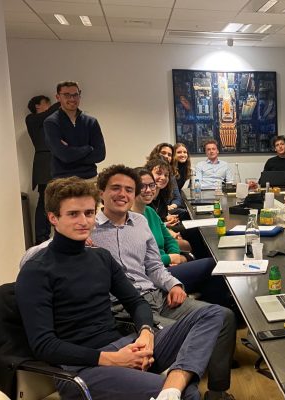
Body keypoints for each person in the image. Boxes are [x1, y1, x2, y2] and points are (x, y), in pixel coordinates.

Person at [16, 176, 232, 400]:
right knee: (188, 394)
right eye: (73, 214)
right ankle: (174, 390)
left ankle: (172, 386)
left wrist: (146, 333)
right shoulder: (36, 271)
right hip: (81, 369)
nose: (83, 221)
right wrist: (113, 359)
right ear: (53, 218)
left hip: (124, 345)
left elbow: (136, 302)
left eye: (89, 213)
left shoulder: (101, 257)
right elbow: (44, 345)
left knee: (213, 313)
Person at [90, 165, 236, 398]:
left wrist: (173, 284)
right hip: (125, 309)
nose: (123, 194)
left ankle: (217, 392)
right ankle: (176, 388)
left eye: (129, 189)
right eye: (115, 188)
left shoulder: (140, 222)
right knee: (189, 335)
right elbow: (44, 252)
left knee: (223, 316)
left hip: (157, 295)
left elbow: (154, 266)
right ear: (101, 193)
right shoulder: (88, 227)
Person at [132, 168, 230, 307]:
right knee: (213, 265)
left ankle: (209, 307)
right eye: (142, 186)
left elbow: (169, 239)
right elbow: (140, 260)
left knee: (210, 273)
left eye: (151, 185)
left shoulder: (150, 211)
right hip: (155, 273)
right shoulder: (129, 220)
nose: (148, 190)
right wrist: (169, 258)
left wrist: (175, 255)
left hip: (167, 265)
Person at [43, 81, 106, 180]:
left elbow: (100, 155)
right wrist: (88, 148)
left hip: (90, 178)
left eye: (75, 95)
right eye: (67, 95)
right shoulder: (51, 122)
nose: (72, 99)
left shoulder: (91, 122)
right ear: (58, 97)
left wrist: (71, 153)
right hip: (64, 180)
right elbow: (64, 156)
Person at [26, 94, 61, 244]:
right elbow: (49, 113)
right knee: (44, 201)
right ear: (37, 106)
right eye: (46, 103)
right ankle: (41, 237)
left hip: (53, 163)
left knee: (54, 200)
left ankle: (51, 235)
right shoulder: (32, 119)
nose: (49, 106)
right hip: (44, 164)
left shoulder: (48, 122)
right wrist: (62, 100)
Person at [148, 143, 185, 211]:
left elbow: (177, 198)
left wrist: (170, 207)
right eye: (163, 153)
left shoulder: (171, 175)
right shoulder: (145, 177)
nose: (166, 156)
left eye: (169, 155)